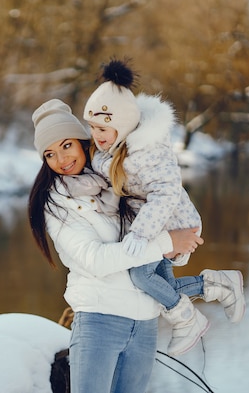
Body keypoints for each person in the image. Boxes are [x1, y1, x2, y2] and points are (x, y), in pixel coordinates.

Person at [28, 98, 204, 393]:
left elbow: (164, 236)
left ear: (83, 141)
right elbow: (95, 259)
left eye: (66, 145)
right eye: (49, 153)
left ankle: (214, 284)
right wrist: (166, 242)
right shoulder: (58, 202)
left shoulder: (119, 180)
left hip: (145, 323)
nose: (61, 159)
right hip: (100, 321)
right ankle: (211, 285)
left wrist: (176, 249)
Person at [82, 58, 245, 356]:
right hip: (156, 225)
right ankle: (218, 284)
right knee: (158, 287)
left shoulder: (150, 149)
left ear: (123, 125)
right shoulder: (112, 151)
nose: (97, 135)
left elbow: (167, 194)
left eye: (103, 127)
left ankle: (188, 317)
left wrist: (141, 234)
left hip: (172, 224)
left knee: (142, 277)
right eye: (92, 127)